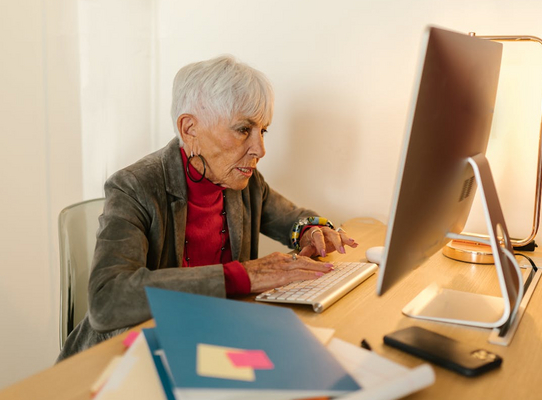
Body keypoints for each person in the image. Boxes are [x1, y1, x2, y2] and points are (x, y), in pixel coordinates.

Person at [57, 55, 357, 361]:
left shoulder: (244, 181)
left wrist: (311, 230)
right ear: (189, 129)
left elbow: (293, 219)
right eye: (243, 130)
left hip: (208, 341)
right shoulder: (134, 186)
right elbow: (108, 300)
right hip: (125, 356)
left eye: (262, 131)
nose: (260, 149)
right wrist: (242, 276)